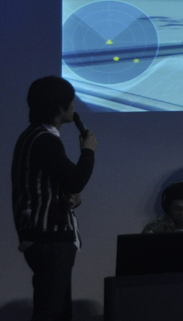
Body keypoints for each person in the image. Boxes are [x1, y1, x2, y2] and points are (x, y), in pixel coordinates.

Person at [11, 76, 98, 321]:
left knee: (54, 309)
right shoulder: (45, 140)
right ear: (60, 108)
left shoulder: (32, 136)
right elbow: (75, 180)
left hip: (41, 236)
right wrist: (88, 151)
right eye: (71, 101)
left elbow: (53, 183)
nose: (74, 106)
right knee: (53, 312)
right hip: (50, 239)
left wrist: (70, 198)